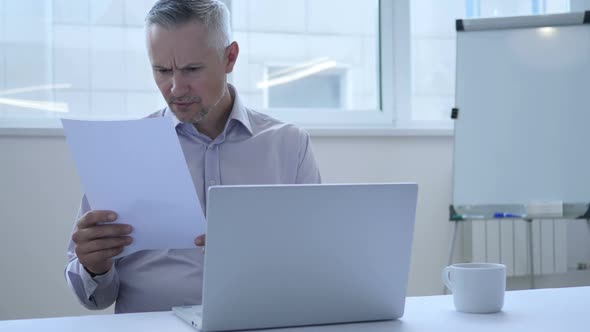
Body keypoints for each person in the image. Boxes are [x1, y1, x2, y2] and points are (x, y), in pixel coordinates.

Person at [65, 0, 321, 314]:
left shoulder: (288, 145)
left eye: (191, 69)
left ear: (230, 58)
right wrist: (93, 267)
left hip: (257, 320)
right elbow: (94, 298)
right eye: (162, 70)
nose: (175, 88)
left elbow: (315, 267)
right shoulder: (124, 151)